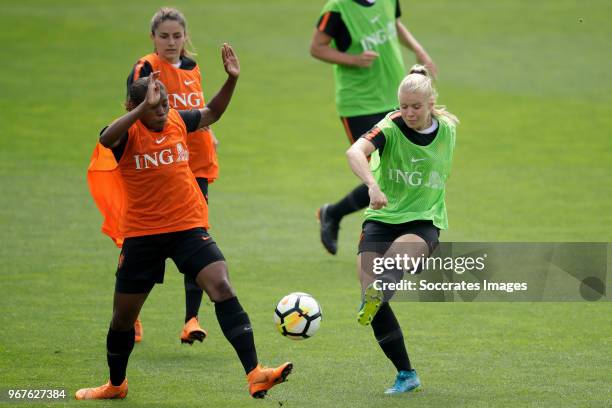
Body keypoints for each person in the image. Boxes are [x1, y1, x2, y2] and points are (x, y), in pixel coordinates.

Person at [78, 45, 292, 400]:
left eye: (164, 103)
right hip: (143, 235)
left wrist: (232, 80)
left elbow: (212, 113)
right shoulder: (126, 134)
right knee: (123, 319)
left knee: (221, 285)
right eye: (155, 106)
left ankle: (255, 373)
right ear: (134, 108)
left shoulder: (177, 119)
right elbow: (104, 138)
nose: (163, 111)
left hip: (187, 227)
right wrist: (142, 110)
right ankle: (116, 385)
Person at [346, 65, 458, 394]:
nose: (408, 113)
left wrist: (418, 72)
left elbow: (425, 90)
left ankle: (383, 287)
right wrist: (371, 186)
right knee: (371, 296)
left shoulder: (448, 128)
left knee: (390, 266)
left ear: (431, 103)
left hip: (423, 219)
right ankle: (406, 373)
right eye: (403, 106)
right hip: (382, 216)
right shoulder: (390, 126)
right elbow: (354, 151)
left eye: (416, 106)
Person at [311, 0, 438, 255]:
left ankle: (333, 213)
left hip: (396, 99)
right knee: (380, 177)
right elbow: (317, 48)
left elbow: (393, 23)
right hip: (360, 104)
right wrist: (353, 60)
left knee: (397, 172)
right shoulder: (338, 8)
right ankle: (369, 240)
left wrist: (418, 49)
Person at [126, 7, 219, 345]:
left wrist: (211, 134)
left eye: (177, 36)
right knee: (148, 247)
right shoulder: (147, 67)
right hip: (159, 167)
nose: (171, 42)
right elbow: (132, 110)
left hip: (197, 165)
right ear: (153, 37)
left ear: (185, 36)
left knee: (197, 237)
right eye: (164, 36)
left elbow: (200, 108)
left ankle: (191, 319)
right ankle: (131, 318)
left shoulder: (193, 68)